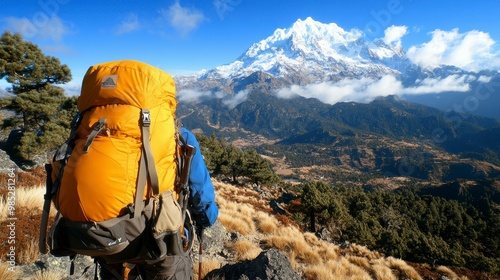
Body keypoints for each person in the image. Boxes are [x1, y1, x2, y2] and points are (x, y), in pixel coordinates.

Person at [98, 126, 219, 280]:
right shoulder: (179, 135)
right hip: (164, 240)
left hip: (110, 239)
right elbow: (200, 194)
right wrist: (207, 219)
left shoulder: (99, 129)